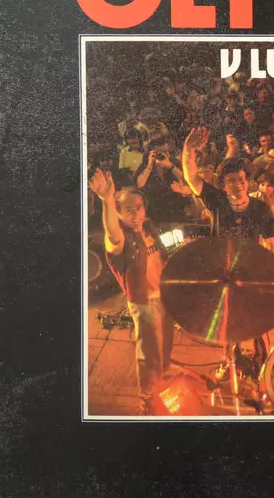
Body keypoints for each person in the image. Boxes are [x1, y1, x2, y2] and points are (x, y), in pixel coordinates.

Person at [182, 127, 274, 365]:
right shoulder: (216, 201)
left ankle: (262, 360)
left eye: (240, 179)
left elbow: (271, 244)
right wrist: (188, 151)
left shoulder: (260, 209)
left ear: (248, 182)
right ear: (223, 185)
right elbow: (191, 177)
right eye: (231, 181)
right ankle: (231, 361)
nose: (237, 184)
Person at [88, 169, 174, 416]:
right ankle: (147, 400)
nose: (136, 214)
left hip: (165, 295)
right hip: (144, 301)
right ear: (119, 214)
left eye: (139, 208)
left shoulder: (149, 227)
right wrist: (106, 201)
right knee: (148, 353)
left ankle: (161, 384)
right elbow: (112, 232)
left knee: (165, 347)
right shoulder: (121, 238)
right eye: (128, 210)